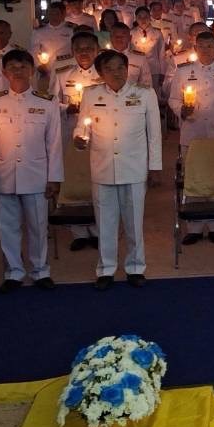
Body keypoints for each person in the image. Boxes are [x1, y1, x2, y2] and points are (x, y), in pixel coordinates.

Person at [0, 49, 63, 291]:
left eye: (23, 67)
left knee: (38, 226)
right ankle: (13, 272)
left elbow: (54, 143)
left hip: (36, 174)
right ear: (4, 72)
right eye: (12, 67)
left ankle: (40, 271)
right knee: (8, 227)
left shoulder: (47, 101)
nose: (18, 71)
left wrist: (54, 177)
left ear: (32, 71)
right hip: (6, 174)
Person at [73, 50, 162, 288]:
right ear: (100, 73)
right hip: (102, 167)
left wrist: (155, 167)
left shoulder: (144, 93)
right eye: (109, 69)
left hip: (134, 167)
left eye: (120, 67)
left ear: (127, 68)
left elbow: (154, 134)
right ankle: (106, 269)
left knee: (134, 222)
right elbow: (82, 126)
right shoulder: (90, 94)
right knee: (105, 222)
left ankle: (136, 267)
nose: (116, 73)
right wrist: (79, 138)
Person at [168, 31, 214, 246]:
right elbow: (173, 99)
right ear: (195, 48)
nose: (206, 50)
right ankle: (194, 228)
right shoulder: (183, 70)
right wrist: (181, 110)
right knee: (194, 177)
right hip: (193, 131)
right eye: (202, 46)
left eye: (210, 46)